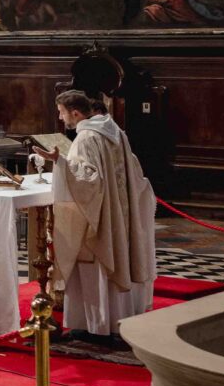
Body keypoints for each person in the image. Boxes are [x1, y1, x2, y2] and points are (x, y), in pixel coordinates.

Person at [31, 89, 156, 341]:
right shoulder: (116, 131)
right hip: (118, 214)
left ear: (75, 113)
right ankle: (118, 321)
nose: (60, 117)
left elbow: (88, 181)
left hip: (98, 219)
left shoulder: (86, 138)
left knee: (94, 268)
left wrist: (60, 163)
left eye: (62, 112)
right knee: (115, 261)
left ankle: (97, 326)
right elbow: (133, 169)